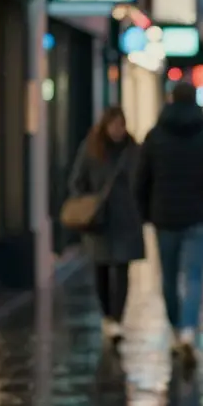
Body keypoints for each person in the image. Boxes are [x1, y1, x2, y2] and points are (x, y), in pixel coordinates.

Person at [135, 81, 203, 365]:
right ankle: (189, 330)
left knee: (168, 276)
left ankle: (177, 327)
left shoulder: (156, 135)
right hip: (199, 214)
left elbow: (141, 177)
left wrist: (144, 211)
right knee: (194, 276)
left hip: (164, 214)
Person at [69, 106, 145, 347]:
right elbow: (77, 180)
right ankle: (107, 316)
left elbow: (144, 180)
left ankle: (117, 318)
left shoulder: (133, 150)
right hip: (99, 219)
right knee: (100, 268)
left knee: (122, 269)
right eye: (113, 125)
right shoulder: (91, 149)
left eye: (121, 125)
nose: (118, 130)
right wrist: (87, 202)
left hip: (126, 218)